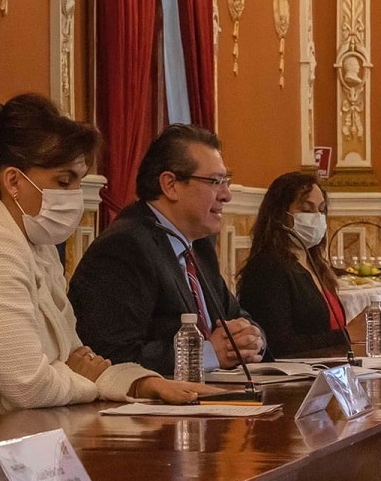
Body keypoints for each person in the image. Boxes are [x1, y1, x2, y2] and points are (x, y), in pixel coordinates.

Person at [0, 94, 210, 416]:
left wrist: (144, 384)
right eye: (63, 181)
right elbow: (28, 384)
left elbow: (79, 356)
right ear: (13, 180)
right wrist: (87, 380)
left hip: (39, 433)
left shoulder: (37, 244)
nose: (74, 196)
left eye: (78, 183)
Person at [70, 124, 265, 376]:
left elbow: (240, 319)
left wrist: (251, 339)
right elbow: (112, 355)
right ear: (170, 184)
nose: (226, 195)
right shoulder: (124, 246)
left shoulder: (199, 246)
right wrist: (207, 354)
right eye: (215, 182)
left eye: (226, 181)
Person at [237, 172, 355, 359]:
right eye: (307, 210)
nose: (316, 217)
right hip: (291, 382)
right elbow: (276, 344)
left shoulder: (315, 264)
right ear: (279, 214)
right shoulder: (268, 267)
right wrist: (347, 335)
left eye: (321, 210)